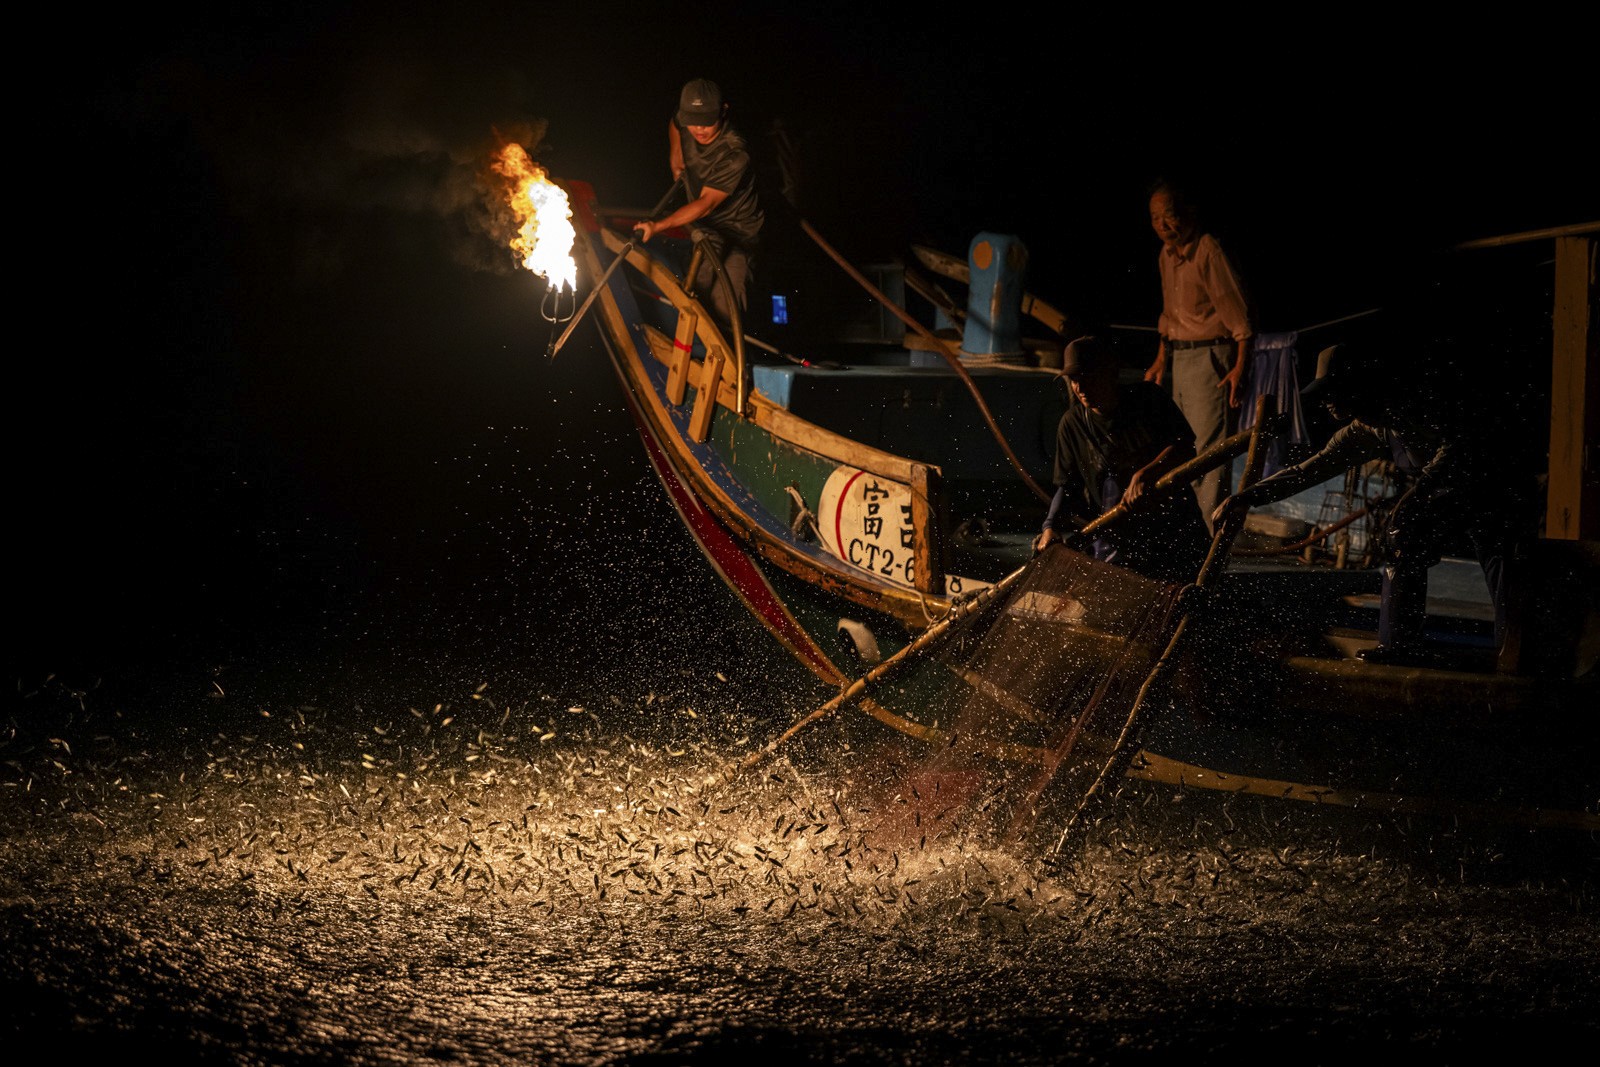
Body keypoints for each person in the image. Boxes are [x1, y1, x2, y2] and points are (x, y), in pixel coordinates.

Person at [1212, 344, 1538, 666]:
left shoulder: (1419, 405)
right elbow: (1309, 470)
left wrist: (1417, 493)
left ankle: (1517, 654)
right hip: (1450, 495)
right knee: (1405, 534)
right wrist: (1248, 496)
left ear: (1359, 387)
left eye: (1334, 391)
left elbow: (1459, 444)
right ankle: (1399, 645)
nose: (1327, 401)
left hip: (1498, 492)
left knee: (1502, 564)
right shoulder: (1370, 430)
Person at [1036, 335, 1211, 585]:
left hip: (1175, 533)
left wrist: (1147, 474)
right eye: (1074, 380)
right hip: (1120, 542)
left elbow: (1185, 448)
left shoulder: (1148, 400)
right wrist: (1049, 526)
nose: (1080, 388)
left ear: (1110, 373)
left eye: (1087, 377)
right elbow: (1068, 486)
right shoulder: (1072, 425)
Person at [1142, 180, 1254, 530]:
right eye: (1155, 218)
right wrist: (1161, 359)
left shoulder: (1207, 250)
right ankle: (1185, 540)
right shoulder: (1166, 256)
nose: (1163, 224)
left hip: (1211, 358)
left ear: (1188, 213)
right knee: (1178, 447)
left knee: (1210, 454)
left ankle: (1209, 545)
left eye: (1169, 215)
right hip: (1179, 358)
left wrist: (1239, 367)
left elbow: (1241, 319)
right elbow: (1170, 315)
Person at [633, 78, 765, 331]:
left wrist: (657, 225)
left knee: (724, 308)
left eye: (707, 121)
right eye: (692, 121)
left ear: (723, 111)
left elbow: (705, 203)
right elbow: (675, 123)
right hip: (707, 231)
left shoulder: (735, 153)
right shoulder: (686, 121)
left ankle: (729, 366)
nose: (699, 129)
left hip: (740, 236)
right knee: (694, 295)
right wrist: (675, 152)